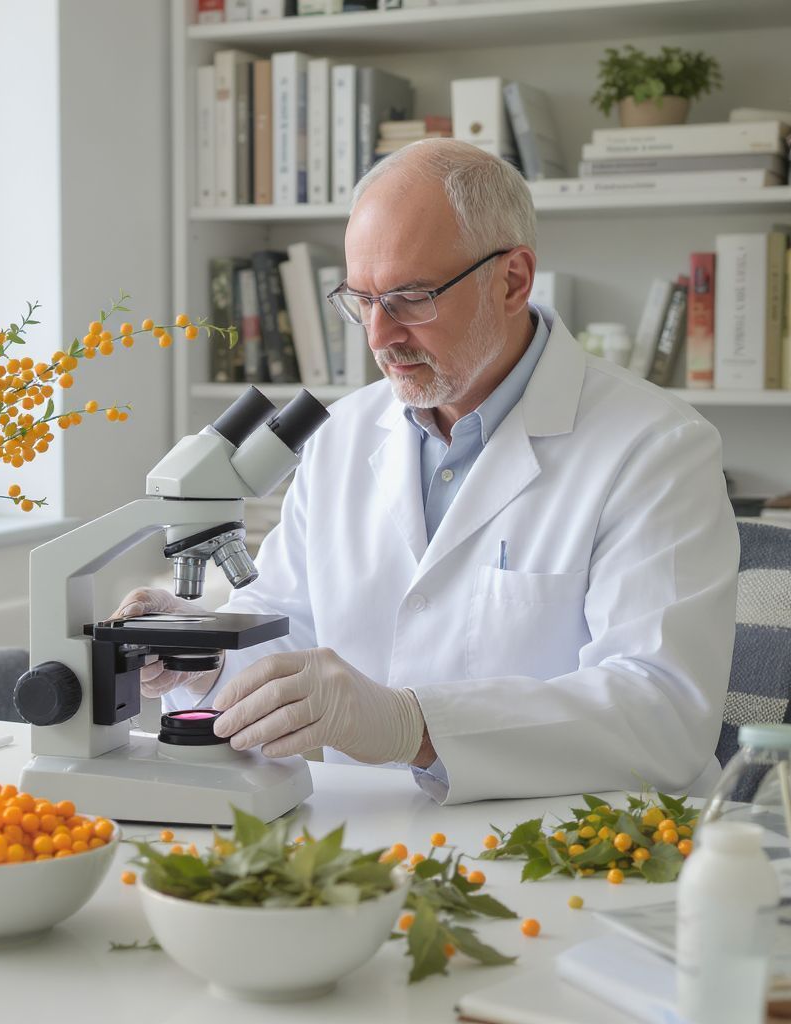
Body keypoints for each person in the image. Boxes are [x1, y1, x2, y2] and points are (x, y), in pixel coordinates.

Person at [112, 139, 739, 804]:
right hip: (369, 835)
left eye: (410, 297)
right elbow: (287, 621)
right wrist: (202, 649)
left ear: (513, 280)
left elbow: (661, 711)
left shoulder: (657, 448)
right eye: (362, 299)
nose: (380, 336)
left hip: (572, 849)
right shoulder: (342, 437)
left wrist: (418, 726)